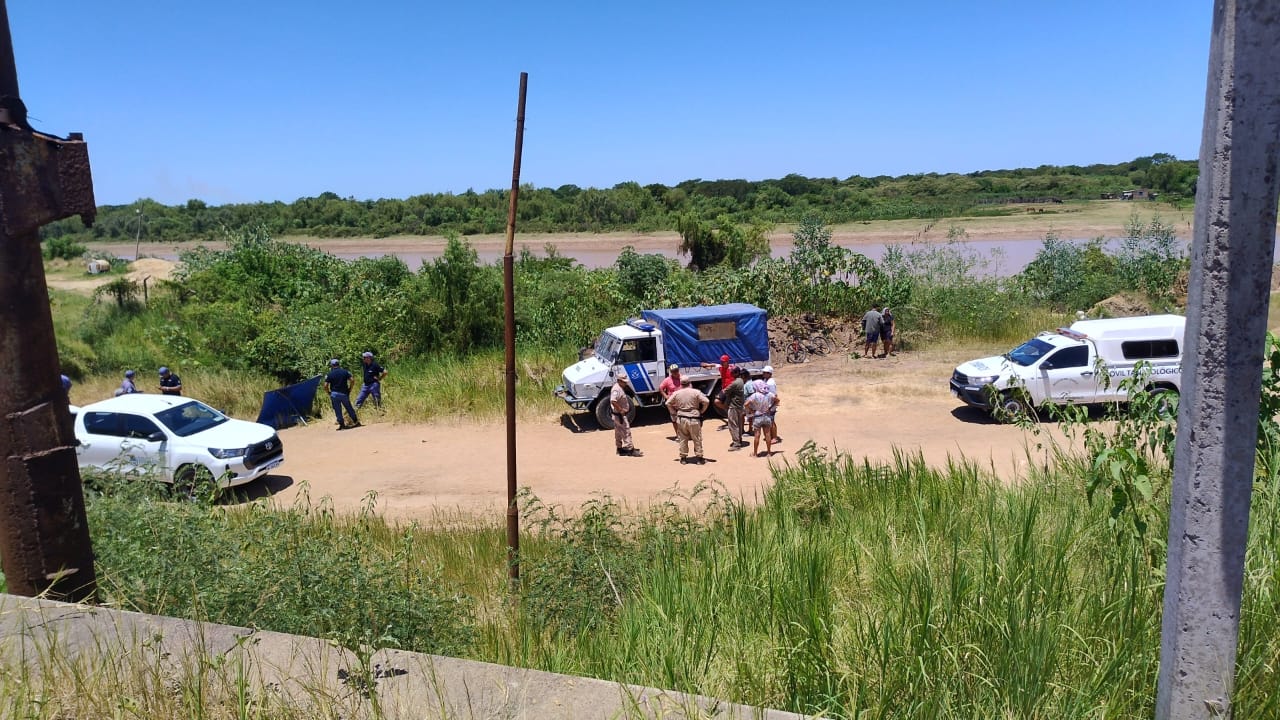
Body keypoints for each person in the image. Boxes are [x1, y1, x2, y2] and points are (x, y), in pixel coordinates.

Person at [666, 376, 709, 464]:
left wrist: (673, 412)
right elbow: (706, 401)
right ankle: (699, 458)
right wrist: (702, 411)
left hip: (681, 418)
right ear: (689, 383)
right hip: (694, 418)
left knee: (682, 438)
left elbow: (668, 403)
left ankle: (683, 458)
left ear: (681, 384)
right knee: (696, 438)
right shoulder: (696, 392)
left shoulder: (676, 393)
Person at [610, 374, 642, 457]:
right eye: (624, 382)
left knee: (618, 432)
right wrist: (620, 410)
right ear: (619, 381)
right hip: (619, 415)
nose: (625, 383)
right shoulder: (616, 389)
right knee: (626, 431)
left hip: (617, 415)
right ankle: (630, 450)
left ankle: (619, 449)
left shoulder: (619, 388)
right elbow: (613, 401)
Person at [324, 358, 360, 430]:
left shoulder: (329, 374)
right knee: (349, 408)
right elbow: (352, 380)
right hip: (344, 393)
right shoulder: (345, 372)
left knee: (337, 410)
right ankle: (356, 421)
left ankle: (342, 425)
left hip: (334, 394)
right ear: (338, 364)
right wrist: (350, 389)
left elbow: (325, 386)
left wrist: (328, 392)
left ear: (332, 365)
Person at [745, 380, 776, 458]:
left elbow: (746, 404)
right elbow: (777, 400)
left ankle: (755, 454)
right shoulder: (769, 394)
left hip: (757, 417)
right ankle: (769, 452)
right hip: (767, 416)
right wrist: (770, 408)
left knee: (757, 435)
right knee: (768, 435)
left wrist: (751, 411)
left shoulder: (754, 395)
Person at [722, 368, 748, 450]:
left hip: (734, 406)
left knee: (733, 425)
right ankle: (739, 440)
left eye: (732, 373)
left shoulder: (735, 383)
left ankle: (736, 444)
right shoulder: (741, 381)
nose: (731, 374)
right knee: (738, 424)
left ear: (736, 373)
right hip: (739, 406)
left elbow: (725, 391)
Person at [658, 364, 682, 436]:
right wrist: (666, 396)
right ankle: (678, 435)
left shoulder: (683, 378)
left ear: (678, 370)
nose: (675, 372)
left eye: (676, 370)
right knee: (674, 419)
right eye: (673, 371)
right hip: (672, 403)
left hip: (682, 402)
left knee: (684, 418)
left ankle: (686, 434)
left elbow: (689, 387)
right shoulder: (667, 380)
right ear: (671, 372)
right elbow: (660, 388)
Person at [761, 365, 781, 442]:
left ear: (769, 373)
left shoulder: (771, 383)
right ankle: (771, 435)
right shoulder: (765, 380)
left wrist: (771, 407)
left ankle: (774, 437)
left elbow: (774, 396)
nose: (763, 373)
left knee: (772, 421)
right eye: (763, 372)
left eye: (765, 372)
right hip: (766, 405)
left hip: (770, 406)